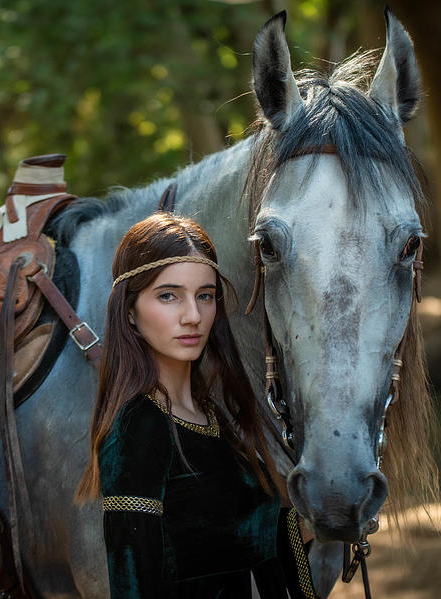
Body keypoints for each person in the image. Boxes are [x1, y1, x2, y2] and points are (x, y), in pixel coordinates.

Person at [76, 213, 316, 598]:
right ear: (130, 312)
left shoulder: (208, 415)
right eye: (168, 295)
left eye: (204, 296)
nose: (193, 316)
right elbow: (134, 583)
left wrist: (320, 520)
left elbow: (236, 533)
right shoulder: (136, 427)